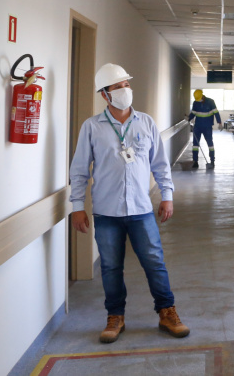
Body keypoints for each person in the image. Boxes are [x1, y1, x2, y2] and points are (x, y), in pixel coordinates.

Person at [69, 63, 189, 343]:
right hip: (106, 212)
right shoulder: (92, 127)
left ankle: (167, 312)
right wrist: (77, 206)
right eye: (117, 86)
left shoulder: (146, 123)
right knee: (111, 267)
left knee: (155, 262)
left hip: (141, 210)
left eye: (126, 84)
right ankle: (115, 317)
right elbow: (79, 170)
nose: (125, 90)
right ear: (105, 95)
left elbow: (160, 164)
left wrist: (167, 195)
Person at [188, 89, 223, 168]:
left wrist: (219, 123)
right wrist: (188, 118)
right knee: (195, 145)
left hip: (207, 127)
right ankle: (195, 161)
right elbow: (193, 113)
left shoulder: (210, 102)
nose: (198, 100)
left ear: (202, 96)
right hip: (197, 126)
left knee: (210, 144)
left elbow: (216, 113)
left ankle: (212, 161)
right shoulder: (195, 103)